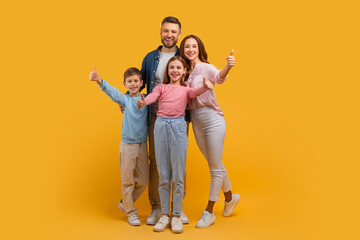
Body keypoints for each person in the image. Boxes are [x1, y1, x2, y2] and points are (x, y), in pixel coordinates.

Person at [137, 56, 213, 233]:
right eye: (172, 67)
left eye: (179, 67)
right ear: (168, 70)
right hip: (161, 125)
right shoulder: (161, 87)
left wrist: (206, 86)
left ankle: (176, 215)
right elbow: (151, 97)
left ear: (184, 71)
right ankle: (165, 215)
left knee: (178, 174)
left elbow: (196, 93)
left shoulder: (187, 90)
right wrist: (143, 102)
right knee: (163, 174)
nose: (175, 71)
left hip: (178, 126)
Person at [179, 35, 241, 228]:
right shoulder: (183, 72)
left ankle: (209, 211)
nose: (190, 49)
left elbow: (219, 78)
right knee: (215, 163)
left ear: (199, 48)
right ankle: (230, 197)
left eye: (194, 46)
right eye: (187, 46)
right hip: (195, 121)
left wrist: (228, 66)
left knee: (214, 168)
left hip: (212, 119)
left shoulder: (206, 67)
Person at [138, 16, 189, 225]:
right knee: (156, 163)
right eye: (166, 31)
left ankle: (177, 208)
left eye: (174, 32)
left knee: (178, 163)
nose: (169, 35)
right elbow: (140, 83)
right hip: (155, 114)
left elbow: (193, 84)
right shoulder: (150, 57)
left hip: (179, 116)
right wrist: (127, 99)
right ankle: (157, 208)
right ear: (160, 32)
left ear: (178, 34)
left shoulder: (184, 56)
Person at [89, 66, 149, 226]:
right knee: (128, 180)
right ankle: (130, 212)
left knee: (143, 179)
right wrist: (100, 81)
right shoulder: (124, 100)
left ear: (141, 82)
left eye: (136, 81)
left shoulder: (146, 100)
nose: (133, 84)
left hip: (143, 145)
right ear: (124, 84)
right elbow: (113, 93)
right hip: (128, 145)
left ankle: (125, 202)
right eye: (129, 81)